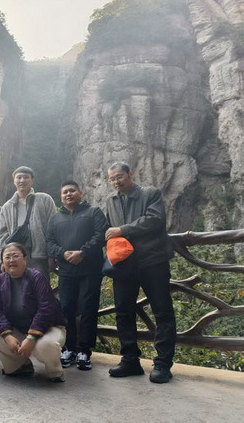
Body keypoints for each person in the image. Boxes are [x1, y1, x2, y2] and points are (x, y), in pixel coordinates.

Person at [105, 162, 176, 383]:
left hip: (152, 261)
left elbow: (155, 220)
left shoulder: (150, 193)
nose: (116, 182)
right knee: (123, 311)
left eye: (119, 177)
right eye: (112, 179)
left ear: (131, 174)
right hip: (123, 264)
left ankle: (163, 364)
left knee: (162, 311)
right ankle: (130, 360)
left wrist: (123, 229)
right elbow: (108, 228)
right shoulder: (111, 200)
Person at [46, 181, 107, 371]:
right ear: (60, 197)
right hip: (66, 271)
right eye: (65, 192)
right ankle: (69, 348)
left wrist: (83, 252)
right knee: (66, 310)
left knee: (88, 309)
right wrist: (63, 253)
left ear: (80, 192)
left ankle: (84, 351)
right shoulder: (55, 218)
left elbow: (101, 235)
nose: (68, 194)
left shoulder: (93, 212)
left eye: (72, 191)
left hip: (90, 270)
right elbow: (49, 242)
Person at [0, 243, 67, 382]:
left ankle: (54, 371)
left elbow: (46, 309)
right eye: (7, 257)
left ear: (25, 259)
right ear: (2, 262)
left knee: (46, 345)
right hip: (18, 329)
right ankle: (21, 366)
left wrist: (31, 337)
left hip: (48, 329)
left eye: (15, 256)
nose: (11, 260)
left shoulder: (36, 277)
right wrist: (7, 335)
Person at [0, 166, 56, 282]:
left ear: (32, 180)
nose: (22, 180)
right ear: (14, 180)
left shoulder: (44, 199)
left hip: (39, 255)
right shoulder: (7, 206)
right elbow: (3, 236)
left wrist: (52, 255)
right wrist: (2, 260)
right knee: (18, 288)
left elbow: (53, 228)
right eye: (19, 177)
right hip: (15, 257)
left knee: (40, 286)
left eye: (26, 177)